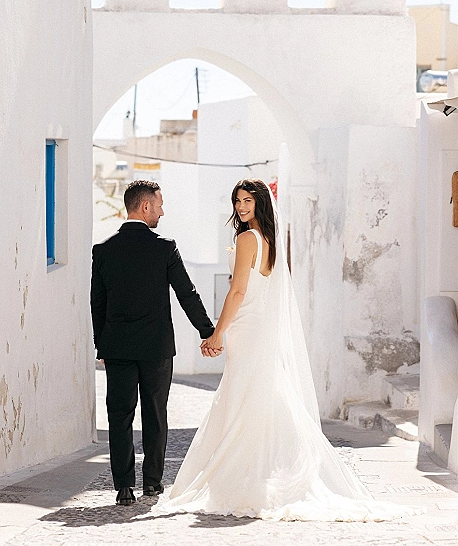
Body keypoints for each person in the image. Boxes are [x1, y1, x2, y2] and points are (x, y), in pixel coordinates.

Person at [155, 179, 422, 521]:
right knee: (259, 395)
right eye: (237, 201)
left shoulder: (246, 238)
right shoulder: (270, 240)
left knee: (243, 398)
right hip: (259, 327)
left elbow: (237, 291)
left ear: (261, 203)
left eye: (248, 200)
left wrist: (217, 333)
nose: (241, 207)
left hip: (246, 328)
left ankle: (247, 475)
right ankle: (266, 471)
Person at [91, 180, 215, 506]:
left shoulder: (103, 251)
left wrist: (101, 346)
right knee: (155, 414)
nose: (162, 211)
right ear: (145, 206)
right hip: (156, 347)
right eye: (159, 204)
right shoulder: (164, 247)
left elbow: (97, 305)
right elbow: (186, 293)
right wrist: (207, 331)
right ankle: (152, 484)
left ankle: (123, 487)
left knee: (120, 415)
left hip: (117, 347)